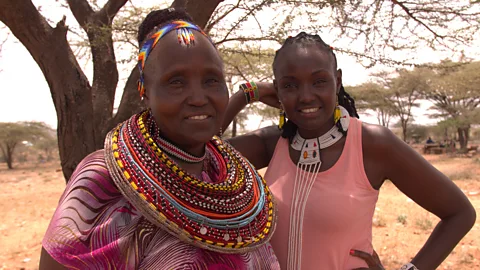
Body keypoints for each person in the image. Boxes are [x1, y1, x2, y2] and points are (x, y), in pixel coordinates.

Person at [39, 8, 280, 270]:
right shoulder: (103, 180)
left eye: (211, 80)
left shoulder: (222, 172)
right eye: (176, 82)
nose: (199, 98)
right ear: (145, 92)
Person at [223, 32, 476, 269]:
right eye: (290, 86)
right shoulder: (272, 143)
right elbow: (198, 153)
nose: (306, 96)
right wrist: (247, 93)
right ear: (277, 90)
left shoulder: (372, 143)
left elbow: (460, 213)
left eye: (319, 81)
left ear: (338, 81)